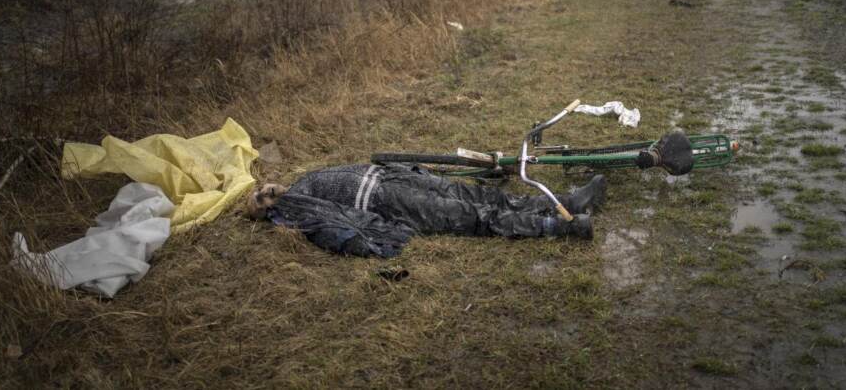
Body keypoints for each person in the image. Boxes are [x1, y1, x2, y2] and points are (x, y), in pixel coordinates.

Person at [247, 163, 606, 258]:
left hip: (395, 179)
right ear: (268, 213)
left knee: (479, 195)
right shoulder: (297, 210)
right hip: (391, 203)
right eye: (261, 202)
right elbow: (336, 231)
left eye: (260, 190)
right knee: (472, 216)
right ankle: (562, 226)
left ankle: (566, 201)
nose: (266, 194)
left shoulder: (302, 182)